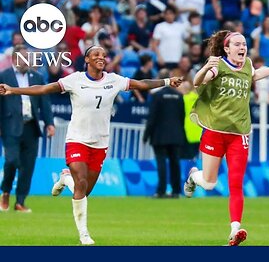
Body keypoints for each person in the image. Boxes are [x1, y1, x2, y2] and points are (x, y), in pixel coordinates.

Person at [0, 46, 183, 245]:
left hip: (100, 142)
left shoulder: (113, 80)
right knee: (81, 185)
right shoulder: (75, 80)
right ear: (86, 59)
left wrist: (166, 81)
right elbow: (44, 89)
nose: (101, 58)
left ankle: (64, 179)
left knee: (84, 192)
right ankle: (84, 234)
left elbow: (141, 84)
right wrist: (13, 90)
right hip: (77, 139)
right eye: (96, 54)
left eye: (104, 55)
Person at [182, 30, 269, 246]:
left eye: (244, 44)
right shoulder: (218, 67)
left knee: (236, 183)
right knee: (208, 183)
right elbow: (198, 82)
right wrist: (206, 66)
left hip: (239, 134)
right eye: (237, 44)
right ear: (227, 48)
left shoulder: (247, 65)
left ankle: (235, 230)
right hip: (215, 132)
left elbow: (256, 74)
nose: (242, 47)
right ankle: (193, 176)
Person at [0, 44, 55, 213]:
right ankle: (6, 192)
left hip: (31, 126)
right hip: (10, 126)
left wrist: (49, 123)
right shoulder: (4, 76)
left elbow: (44, 102)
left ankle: (20, 201)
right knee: (11, 161)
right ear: (15, 59)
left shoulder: (37, 77)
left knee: (28, 165)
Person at [143, 84, 186, 199]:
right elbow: (182, 116)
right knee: (175, 163)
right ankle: (176, 191)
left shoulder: (157, 96)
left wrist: (146, 135)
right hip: (176, 135)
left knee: (161, 163)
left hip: (160, 135)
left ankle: (161, 191)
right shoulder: (179, 96)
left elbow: (152, 117)